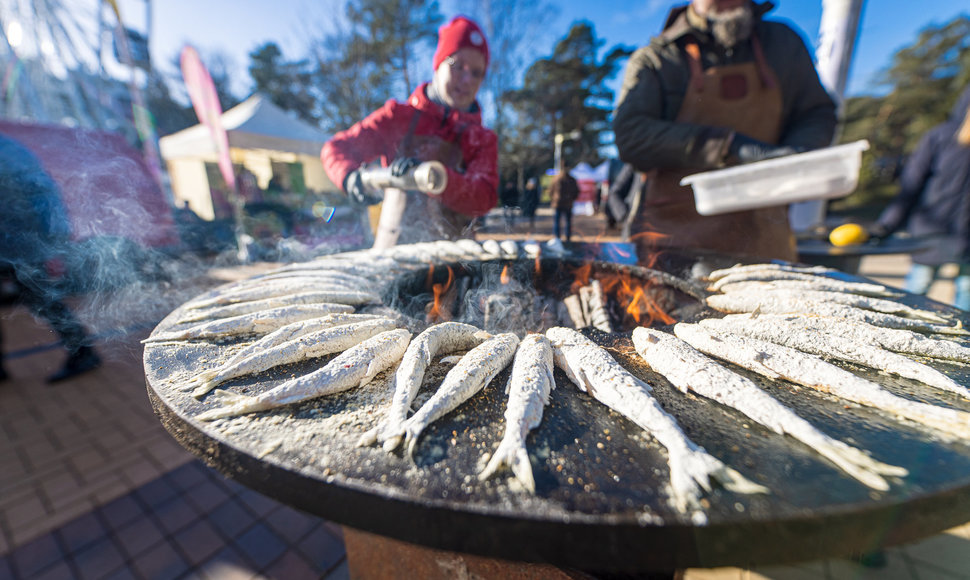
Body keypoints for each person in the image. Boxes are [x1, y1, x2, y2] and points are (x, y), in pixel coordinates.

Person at [613, 0, 836, 262]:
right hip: (675, 242)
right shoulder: (658, 58)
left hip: (764, 237)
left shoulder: (783, 44)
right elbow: (631, 136)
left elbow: (817, 113)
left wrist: (795, 154)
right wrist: (727, 146)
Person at [321, 15, 498, 244]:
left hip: (455, 263)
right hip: (393, 254)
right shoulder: (398, 117)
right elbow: (336, 148)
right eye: (457, 66)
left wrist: (438, 177)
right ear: (438, 65)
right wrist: (349, 177)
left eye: (476, 73)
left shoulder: (481, 138)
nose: (466, 79)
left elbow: (484, 197)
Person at [0, 134, 101, 383]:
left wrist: (55, 238)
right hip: (10, 244)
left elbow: (41, 189)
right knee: (42, 299)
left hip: (22, 245)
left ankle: (83, 352)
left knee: (43, 300)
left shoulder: (7, 149)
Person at [870, 85, 970, 310]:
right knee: (919, 295)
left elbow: (911, 185)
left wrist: (886, 225)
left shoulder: (939, 135)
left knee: (951, 296)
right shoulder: (941, 137)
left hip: (948, 235)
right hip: (932, 234)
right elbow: (911, 185)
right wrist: (885, 226)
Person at [548, 163, 580, 242]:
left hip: (560, 203)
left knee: (559, 221)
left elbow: (550, 191)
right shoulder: (570, 179)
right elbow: (576, 191)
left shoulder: (557, 178)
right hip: (565, 203)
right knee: (565, 221)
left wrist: (554, 199)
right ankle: (565, 237)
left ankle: (558, 237)